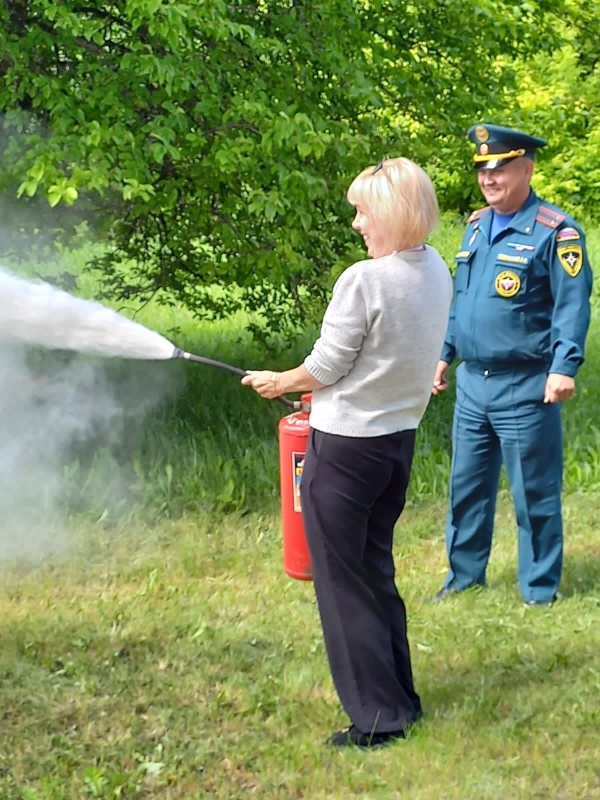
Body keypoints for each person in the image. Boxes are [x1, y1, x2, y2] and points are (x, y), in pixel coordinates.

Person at [242, 157, 453, 748]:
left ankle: (378, 721)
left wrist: (281, 381)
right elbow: (383, 362)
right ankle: (400, 699)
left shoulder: (364, 279)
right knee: (375, 572)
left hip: (343, 455)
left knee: (342, 584)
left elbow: (328, 366)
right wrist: (320, 395)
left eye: (363, 211)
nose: (357, 223)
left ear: (391, 212)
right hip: (394, 447)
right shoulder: (435, 270)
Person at [432, 123, 593, 606]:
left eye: (500, 166)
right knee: (466, 489)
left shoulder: (557, 232)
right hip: (473, 385)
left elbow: (572, 307)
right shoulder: (477, 226)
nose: (489, 176)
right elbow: (461, 302)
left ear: (527, 167)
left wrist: (564, 366)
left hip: (526, 386)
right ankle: (463, 578)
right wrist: (443, 354)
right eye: (483, 167)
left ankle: (539, 591)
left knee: (534, 496)